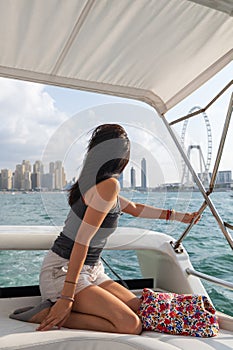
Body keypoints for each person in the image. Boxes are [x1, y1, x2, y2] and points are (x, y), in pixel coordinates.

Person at [10, 124, 200, 334]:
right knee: (131, 325)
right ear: (120, 158)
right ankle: (45, 314)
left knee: (140, 309)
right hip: (62, 272)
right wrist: (67, 297)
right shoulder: (108, 186)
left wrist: (182, 217)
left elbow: (135, 209)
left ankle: (65, 306)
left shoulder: (97, 185)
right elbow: (81, 241)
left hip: (92, 270)